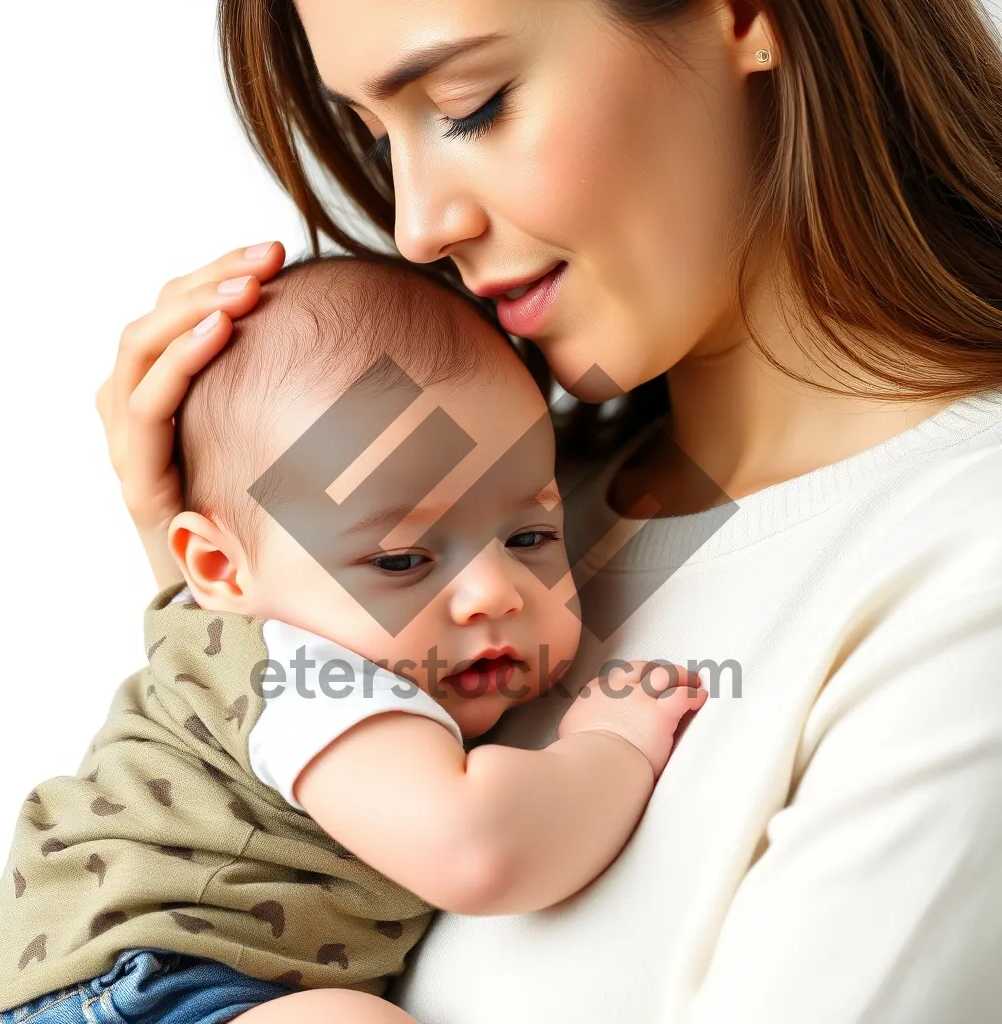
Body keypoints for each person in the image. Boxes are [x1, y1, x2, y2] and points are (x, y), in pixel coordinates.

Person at [91, 1, 1002, 1020]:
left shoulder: (964, 570)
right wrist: (226, 596)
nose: (414, 223)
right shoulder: (472, 518)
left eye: (468, 105)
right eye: (370, 133)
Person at [0, 255, 706, 1024]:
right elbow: (479, 847)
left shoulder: (260, 623)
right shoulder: (304, 676)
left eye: (529, 535)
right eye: (401, 559)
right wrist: (611, 741)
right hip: (140, 988)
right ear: (220, 568)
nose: (496, 592)